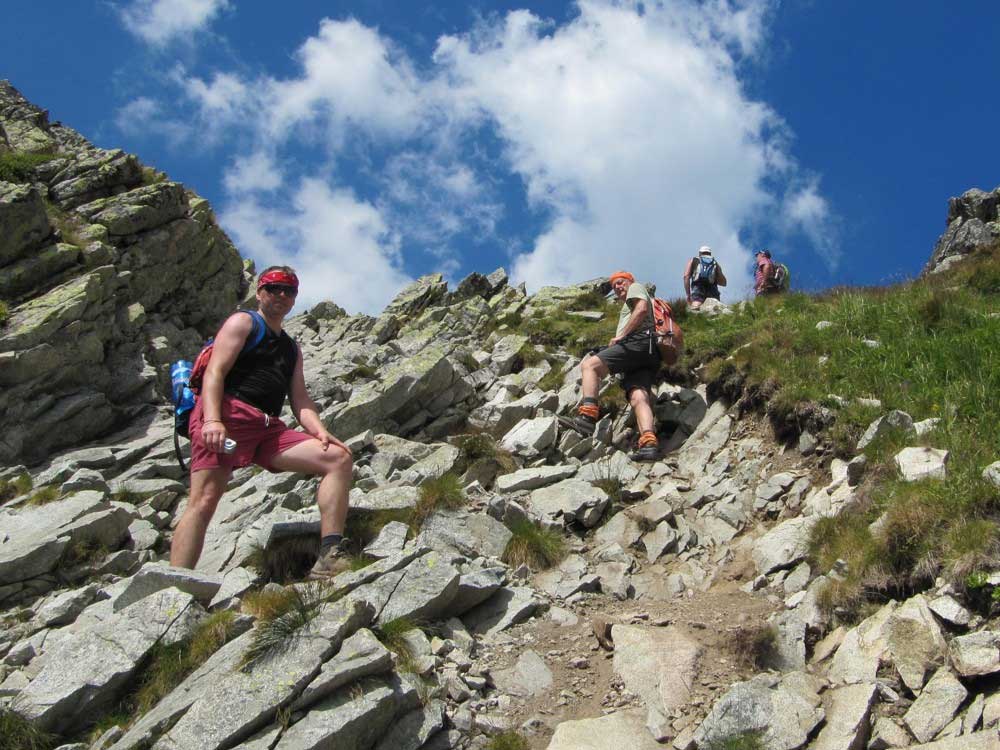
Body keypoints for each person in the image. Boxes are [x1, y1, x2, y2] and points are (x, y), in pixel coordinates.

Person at [170, 266, 354, 579]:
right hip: (227, 418)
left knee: (338, 458)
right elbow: (215, 372)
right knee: (204, 500)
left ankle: (330, 555)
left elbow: (300, 400)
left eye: (289, 290)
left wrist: (321, 431)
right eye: (273, 288)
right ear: (259, 292)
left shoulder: (291, 348)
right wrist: (212, 420)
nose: (281, 295)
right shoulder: (243, 321)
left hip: (267, 429)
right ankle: (174, 585)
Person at [572, 271, 662, 462]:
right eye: (614, 286)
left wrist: (622, 336)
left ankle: (588, 416)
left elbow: (641, 309)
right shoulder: (630, 300)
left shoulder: (637, 288)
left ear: (630, 281)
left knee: (590, 366)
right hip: (649, 354)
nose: (618, 287)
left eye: (621, 283)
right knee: (639, 396)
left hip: (638, 342)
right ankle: (649, 443)